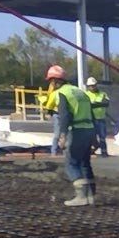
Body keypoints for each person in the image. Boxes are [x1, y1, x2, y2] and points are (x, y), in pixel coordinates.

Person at [47, 65, 96, 207]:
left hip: (77, 131)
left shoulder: (62, 93)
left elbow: (64, 115)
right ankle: (91, 196)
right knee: (85, 164)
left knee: (71, 163)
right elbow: (91, 114)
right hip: (88, 129)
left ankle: (81, 197)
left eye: (50, 82)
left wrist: (62, 135)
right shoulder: (80, 92)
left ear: (55, 81)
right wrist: (95, 137)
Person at [85, 77, 111, 156]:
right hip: (90, 119)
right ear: (88, 86)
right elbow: (86, 106)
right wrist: (98, 104)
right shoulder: (85, 94)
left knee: (102, 137)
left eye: (94, 85)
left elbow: (106, 103)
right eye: (90, 86)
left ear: (96, 85)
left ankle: (104, 152)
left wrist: (94, 104)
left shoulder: (103, 94)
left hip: (100, 119)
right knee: (91, 137)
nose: (92, 87)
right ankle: (90, 151)